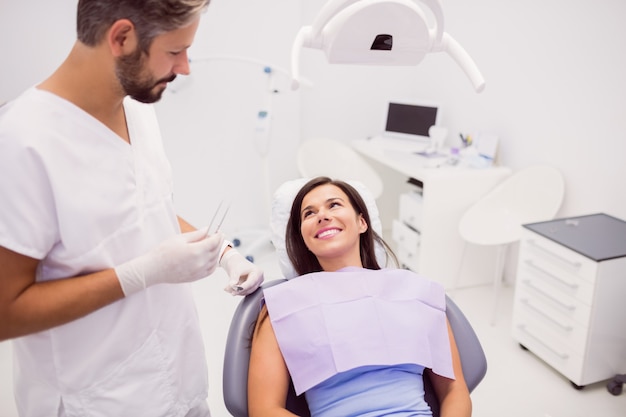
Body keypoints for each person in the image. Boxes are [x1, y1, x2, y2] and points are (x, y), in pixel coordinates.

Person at [0, 1, 263, 416]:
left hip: (177, 380)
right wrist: (140, 274)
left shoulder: (136, 106)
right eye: (175, 51)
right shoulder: (21, 143)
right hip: (99, 399)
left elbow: (147, 208)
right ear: (121, 37)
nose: (186, 67)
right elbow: (6, 313)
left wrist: (224, 252)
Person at [248, 177, 471, 417]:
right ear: (303, 237)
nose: (322, 216)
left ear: (362, 222)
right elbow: (264, 409)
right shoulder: (284, 305)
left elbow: (454, 389)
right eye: (309, 213)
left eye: (334, 205)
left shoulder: (414, 290)